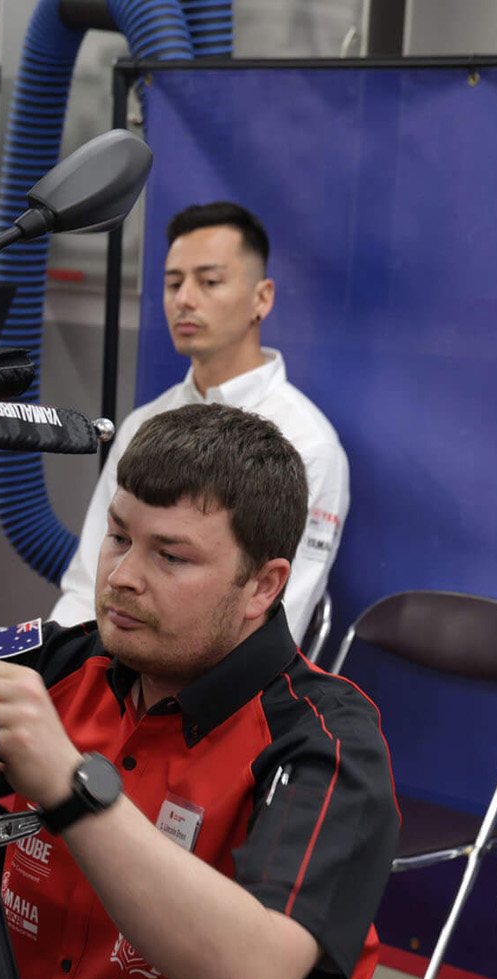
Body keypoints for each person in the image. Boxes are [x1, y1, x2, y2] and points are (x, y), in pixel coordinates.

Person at [0, 403, 397, 979]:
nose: (122, 577)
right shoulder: (60, 671)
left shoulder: (324, 744)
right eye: (118, 537)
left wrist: (69, 786)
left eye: (171, 556)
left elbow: (252, 977)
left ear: (262, 586)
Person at [50, 202, 347, 650]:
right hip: (113, 665)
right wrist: (54, 669)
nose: (184, 299)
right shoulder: (144, 423)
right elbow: (87, 582)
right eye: (174, 283)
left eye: (209, 282)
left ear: (262, 298)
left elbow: (278, 621)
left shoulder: (308, 443)